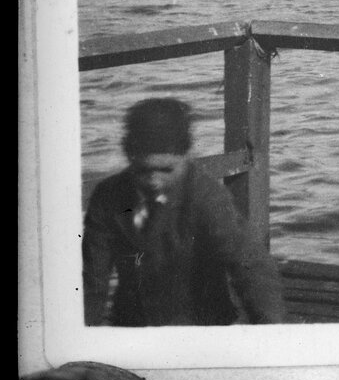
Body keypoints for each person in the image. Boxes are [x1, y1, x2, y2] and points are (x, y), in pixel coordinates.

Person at [82, 98, 286, 326]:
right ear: (129, 156)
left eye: (166, 169)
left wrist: (270, 333)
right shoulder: (107, 196)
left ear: (186, 156)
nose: (154, 181)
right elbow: (92, 281)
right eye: (143, 170)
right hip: (132, 325)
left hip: (202, 328)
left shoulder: (207, 196)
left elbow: (250, 265)